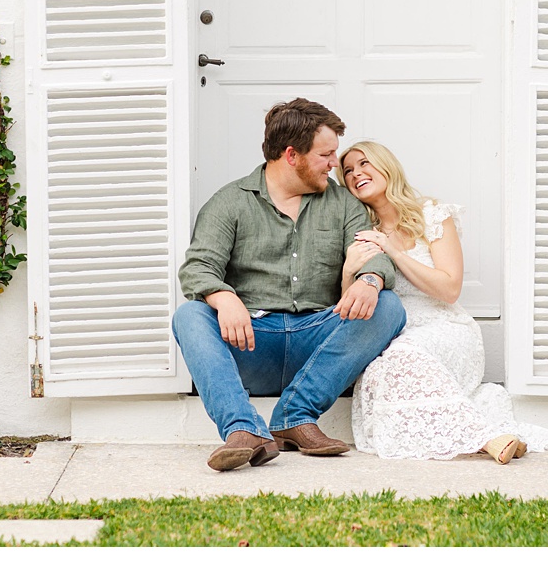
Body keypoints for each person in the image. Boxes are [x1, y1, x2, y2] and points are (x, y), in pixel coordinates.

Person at [173, 98, 407, 472]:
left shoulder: (343, 204)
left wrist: (369, 280)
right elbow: (198, 268)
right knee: (190, 315)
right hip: (251, 340)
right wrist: (223, 297)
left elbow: (373, 252)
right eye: (326, 155)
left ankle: (295, 416)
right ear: (291, 155)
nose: (335, 164)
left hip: (317, 342)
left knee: (389, 306)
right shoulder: (230, 202)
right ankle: (244, 430)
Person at [340, 140, 548, 463]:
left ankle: (486, 438)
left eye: (364, 164)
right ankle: (489, 436)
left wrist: (393, 251)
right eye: (347, 171)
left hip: (444, 328)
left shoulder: (431, 215)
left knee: (402, 355)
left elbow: (449, 288)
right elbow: (349, 304)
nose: (356, 174)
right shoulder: (358, 230)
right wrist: (349, 269)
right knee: (380, 370)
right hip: (390, 335)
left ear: (386, 165)